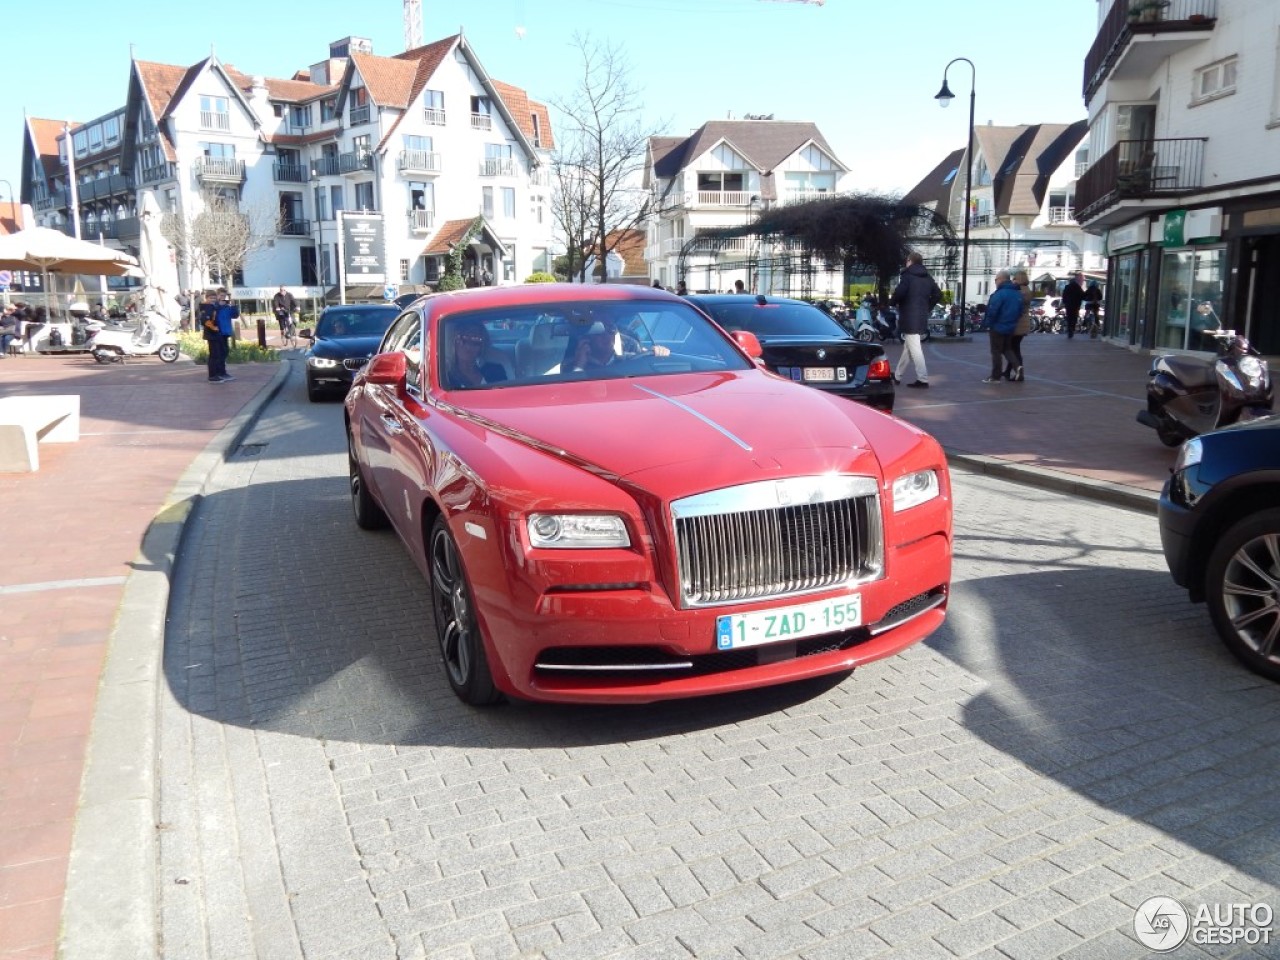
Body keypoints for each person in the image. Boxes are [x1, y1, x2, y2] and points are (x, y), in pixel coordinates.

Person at [889, 251, 941, 389]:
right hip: (921, 316)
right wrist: (927, 307)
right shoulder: (927, 277)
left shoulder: (907, 275)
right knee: (909, 347)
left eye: (907, 261)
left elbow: (900, 292)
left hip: (909, 317)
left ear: (910, 261)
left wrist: (892, 302)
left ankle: (922, 379)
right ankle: (898, 375)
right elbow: (938, 294)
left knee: (915, 348)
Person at [982, 270, 1024, 383]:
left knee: (996, 351)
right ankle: (1017, 366)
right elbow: (1021, 311)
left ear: (1001, 279)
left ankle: (995, 376)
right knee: (1007, 349)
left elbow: (992, 310)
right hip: (1010, 326)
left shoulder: (999, 294)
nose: (995, 282)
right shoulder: (1017, 293)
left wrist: (988, 324)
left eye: (996, 280)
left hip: (997, 326)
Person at [443, 318, 507, 388]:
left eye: (475, 340)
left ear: (482, 345)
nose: (468, 346)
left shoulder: (496, 372)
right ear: (453, 342)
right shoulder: (445, 378)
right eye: (463, 339)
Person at [1004, 270, 1033, 381]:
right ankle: (1008, 371)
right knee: (1014, 347)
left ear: (1019, 279)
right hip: (1024, 322)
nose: (1013, 280)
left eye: (1015, 278)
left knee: (1012, 349)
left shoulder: (1019, 291)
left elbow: (1014, 306)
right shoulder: (1027, 290)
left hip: (1017, 323)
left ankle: (1019, 373)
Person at [1061, 271, 1086, 340]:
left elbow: (1064, 296)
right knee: (1074, 318)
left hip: (1068, 305)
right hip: (1075, 305)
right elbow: (1082, 296)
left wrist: (1065, 302)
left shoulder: (1068, 287)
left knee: (1069, 318)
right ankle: (1071, 330)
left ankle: (1070, 331)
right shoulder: (1078, 287)